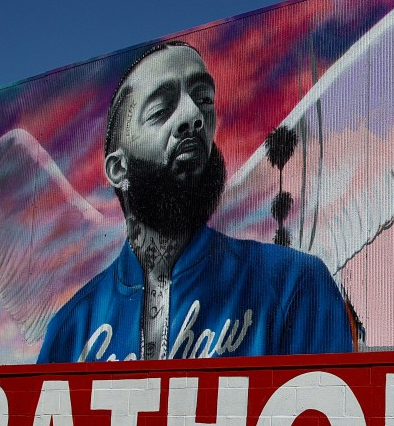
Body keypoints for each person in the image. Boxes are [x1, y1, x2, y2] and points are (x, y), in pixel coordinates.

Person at [37, 41, 357, 363]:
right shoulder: (71, 330)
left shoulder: (294, 287)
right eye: (160, 111)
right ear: (119, 169)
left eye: (203, 99)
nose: (193, 115)